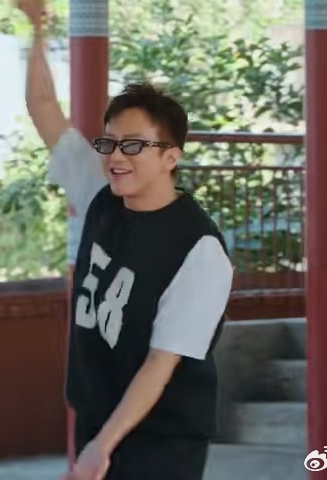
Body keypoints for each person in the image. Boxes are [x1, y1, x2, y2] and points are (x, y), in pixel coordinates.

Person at [16, 1, 234, 479]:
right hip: (98, 420)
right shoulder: (100, 193)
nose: (117, 156)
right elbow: (43, 107)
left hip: (161, 440)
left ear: (171, 157)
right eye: (110, 142)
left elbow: (161, 362)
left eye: (133, 145)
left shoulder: (199, 250)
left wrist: (101, 448)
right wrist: (37, 28)